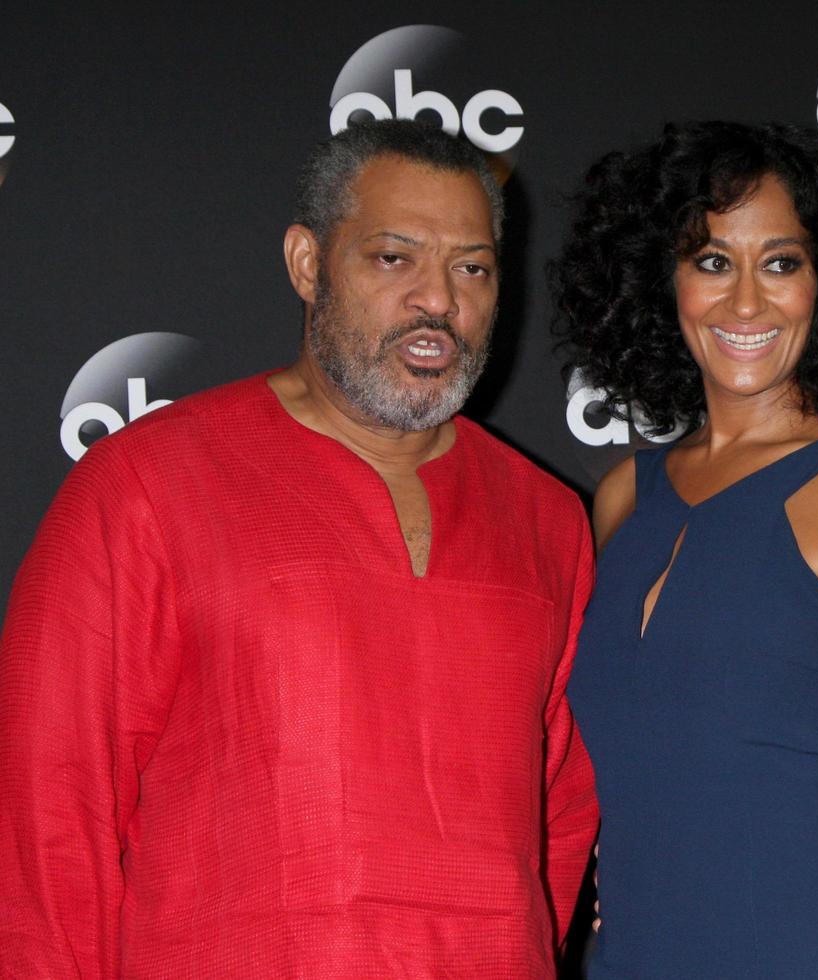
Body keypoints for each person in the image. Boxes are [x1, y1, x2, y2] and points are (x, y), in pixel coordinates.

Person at [0, 119, 598, 977]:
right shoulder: (150, 483)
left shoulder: (548, 521)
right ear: (308, 264)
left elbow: (561, 817)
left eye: (471, 266)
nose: (438, 300)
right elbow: (49, 811)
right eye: (394, 258)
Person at [552, 121, 818, 979]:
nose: (746, 303)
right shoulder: (625, 494)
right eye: (711, 262)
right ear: (662, 283)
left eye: (781, 262)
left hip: (816, 948)